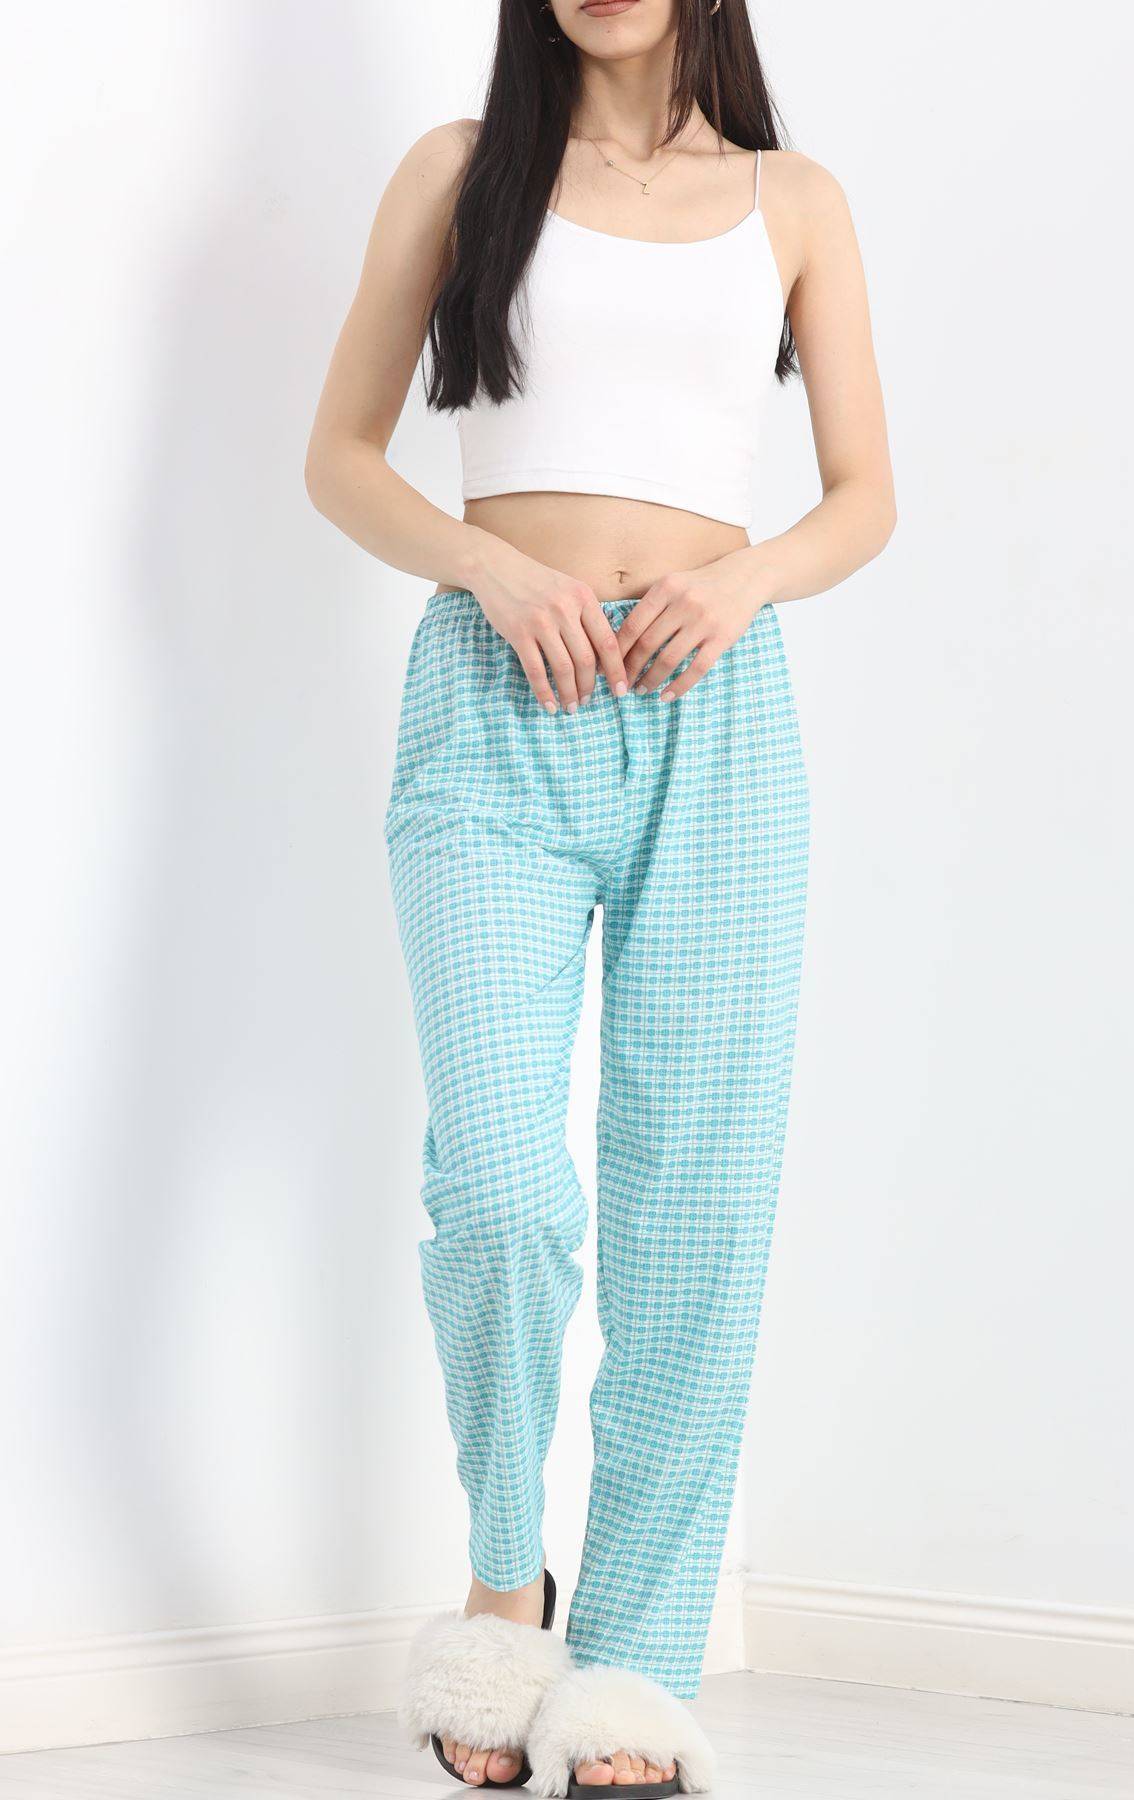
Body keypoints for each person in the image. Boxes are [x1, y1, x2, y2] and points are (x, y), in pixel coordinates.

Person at [305, 1, 894, 1791]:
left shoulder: (795, 201)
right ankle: (509, 1585)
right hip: (495, 713)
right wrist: (486, 567)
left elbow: (866, 496)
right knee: (500, 1185)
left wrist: (750, 580)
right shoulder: (459, 173)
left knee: (695, 1213)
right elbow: (340, 457)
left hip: (716, 725)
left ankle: (631, 1667)